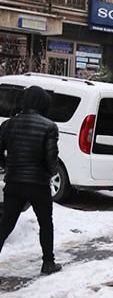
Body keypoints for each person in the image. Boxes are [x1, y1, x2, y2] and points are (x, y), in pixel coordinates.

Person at [0, 85, 62, 275]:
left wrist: (9, 165)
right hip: (38, 184)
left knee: (5, 224)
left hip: (14, 183)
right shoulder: (49, 126)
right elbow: (52, 161)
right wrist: (51, 172)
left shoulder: (8, 124)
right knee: (45, 222)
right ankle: (48, 263)